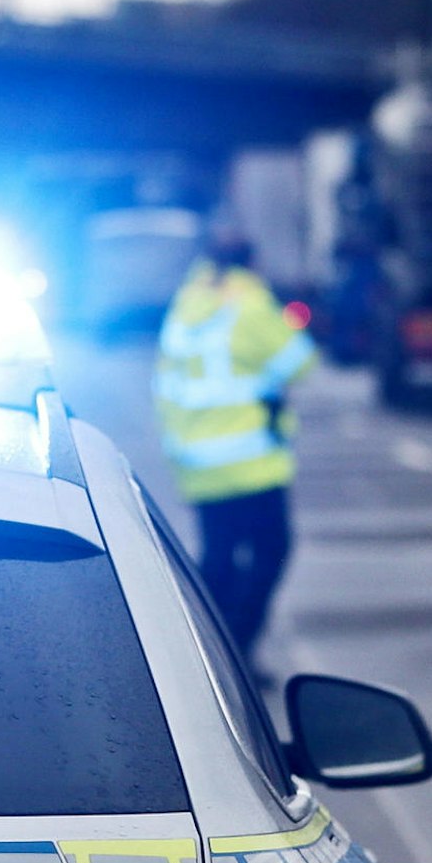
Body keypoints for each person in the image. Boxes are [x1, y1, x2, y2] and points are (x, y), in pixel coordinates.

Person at [155, 233, 317, 665]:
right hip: (250, 462)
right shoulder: (248, 304)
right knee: (271, 552)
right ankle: (237, 651)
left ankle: (205, 650)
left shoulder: (187, 303)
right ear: (251, 262)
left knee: (220, 560)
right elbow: (300, 361)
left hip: (196, 459)